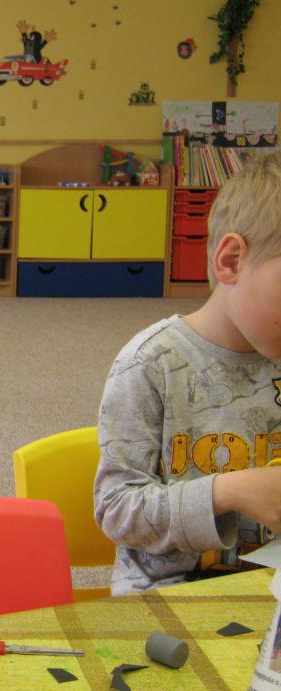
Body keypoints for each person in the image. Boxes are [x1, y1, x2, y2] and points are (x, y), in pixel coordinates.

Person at [94, 150, 281, 596]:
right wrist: (227, 491)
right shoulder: (151, 364)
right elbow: (117, 511)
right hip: (168, 597)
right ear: (230, 261)